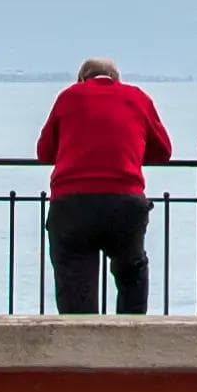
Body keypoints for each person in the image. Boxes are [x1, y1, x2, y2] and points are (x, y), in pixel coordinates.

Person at [37, 57, 172, 314]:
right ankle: (129, 339)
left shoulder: (69, 96)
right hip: (124, 200)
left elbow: (44, 151)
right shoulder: (137, 98)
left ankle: (81, 345)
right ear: (116, 79)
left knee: (74, 286)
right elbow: (163, 151)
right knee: (131, 273)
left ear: (82, 80)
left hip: (72, 203)